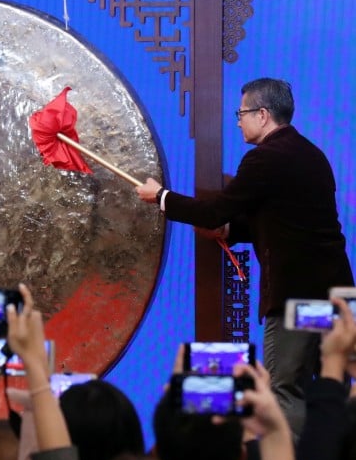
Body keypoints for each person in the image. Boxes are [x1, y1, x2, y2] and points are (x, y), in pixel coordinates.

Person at [136, 77, 353, 436]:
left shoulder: (265, 158)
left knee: (286, 391)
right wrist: (231, 230)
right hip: (334, 298)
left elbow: (212, 212)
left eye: (241, 114)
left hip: (294, 299)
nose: (238, 122)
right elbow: (283, 223)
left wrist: (161, 197)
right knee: (331, 387)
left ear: (262, 115)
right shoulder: (312, 155)